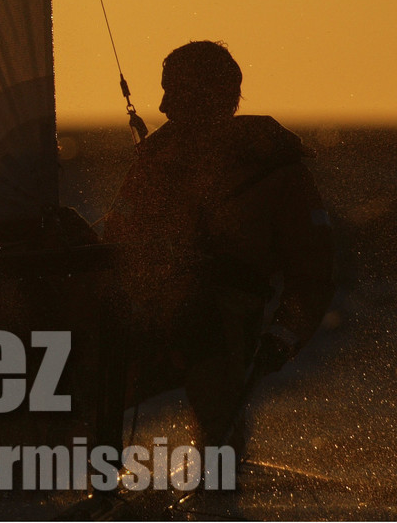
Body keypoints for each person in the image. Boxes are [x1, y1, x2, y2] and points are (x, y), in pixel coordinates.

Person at [99, 40, 334, 448]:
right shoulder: (156, 162)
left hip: (220, 322)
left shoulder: (275, 169)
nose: (163, 106)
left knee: (209, 352)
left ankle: (219, 463)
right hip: (147, 314)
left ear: (207, 96)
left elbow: (312, 268)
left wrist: (285, 334)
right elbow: (116, 237)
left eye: (174, 92)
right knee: (82, 373)